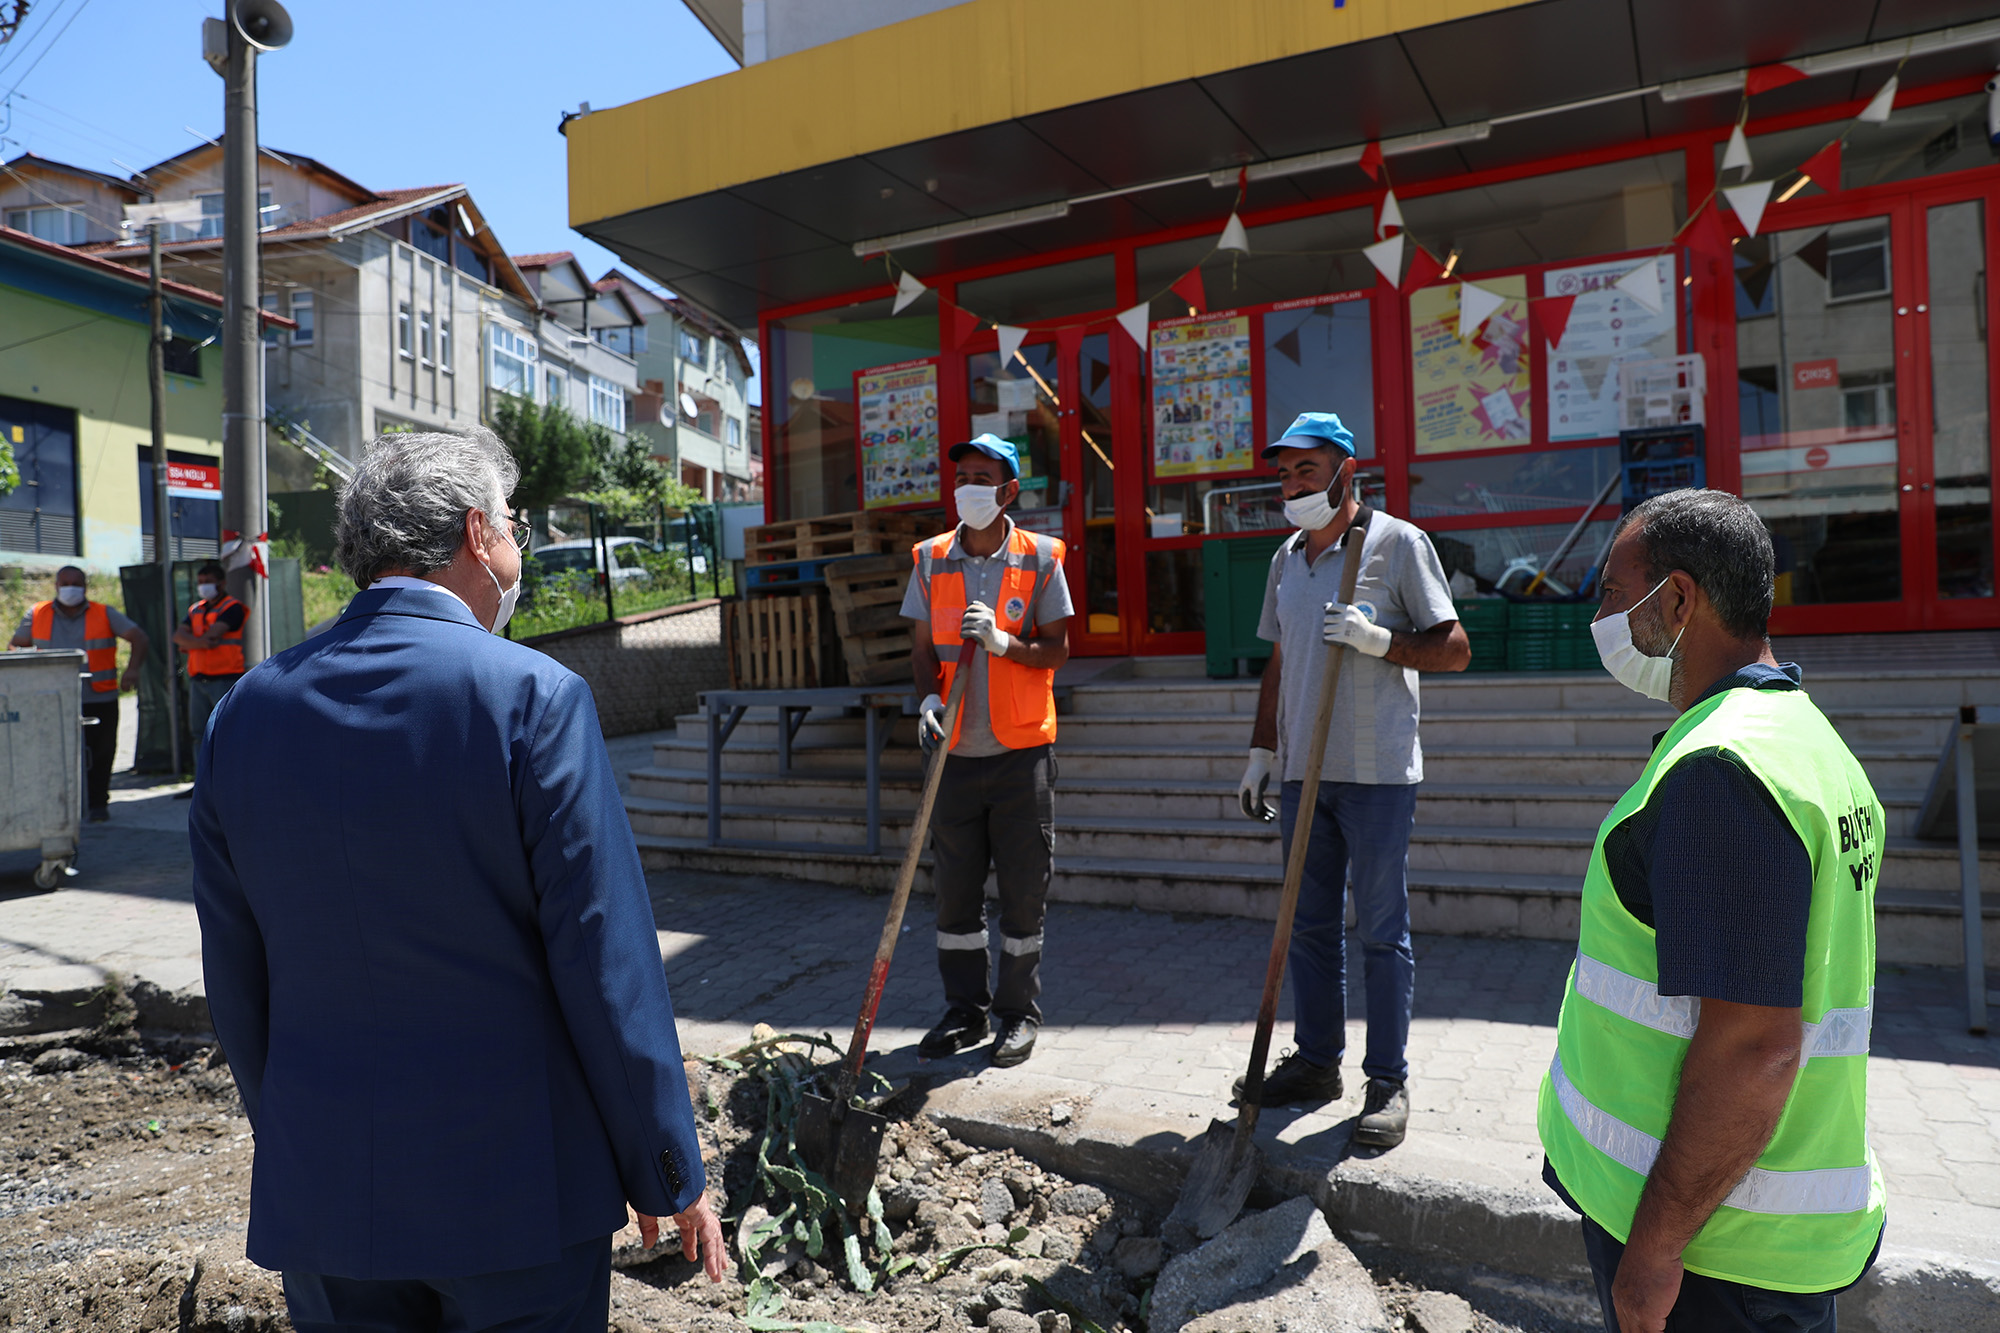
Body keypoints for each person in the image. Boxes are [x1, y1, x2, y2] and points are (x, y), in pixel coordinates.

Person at [189, 429, 724, 1333]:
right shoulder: (532, 697)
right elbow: (606, 964)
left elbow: (236, 981)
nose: (518, 547)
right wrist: (665, 1165)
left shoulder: (244, 713)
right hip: (516, 1196)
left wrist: (298, 1137)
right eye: (514, 525)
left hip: (324, 1193)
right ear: (478, 535)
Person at [1537, 489, 1884, 1333]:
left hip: (1712, 1253)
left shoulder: (1721, 768)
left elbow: (1755, 1047)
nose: (1604, 619)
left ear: (1680, 600)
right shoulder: (1804, 738)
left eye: (1616, 596)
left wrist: (1653, 1256)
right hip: (1749, 1229)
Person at [1233, 412, 1468, 1149]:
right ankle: (1315, 1061)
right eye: (1284, 472)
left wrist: (1380, 641)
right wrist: (1262, 750)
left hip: (1376, 774)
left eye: (1307, 470)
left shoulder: (1397, 544)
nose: (1293, 484)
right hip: (1305, 772)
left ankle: (1388, 1080)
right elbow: (1277, 661)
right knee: (1306, 926)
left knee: (1380, 930)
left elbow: (1455, 648)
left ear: (1346, 471)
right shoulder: (1287, 558)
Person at [902, 432, 1072, 1069]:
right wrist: (926, 701)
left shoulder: (1043, 557)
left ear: (1008, 490)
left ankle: (1017, 1014)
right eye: (961, 475)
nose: (968, 486)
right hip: (950, 753)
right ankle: (963, 1009)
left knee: (1024, 893)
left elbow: (1057, 649)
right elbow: (922, 650)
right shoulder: (929, 557)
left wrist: (1004, 644)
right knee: (955, 895)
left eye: (982, 476)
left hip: (1020, 752)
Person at [12, 565, 148, 822]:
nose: (70, 588)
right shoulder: (38, 613)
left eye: (76, 583)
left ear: (85, 586)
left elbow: (139, 637)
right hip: (50, 698)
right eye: (65, 583)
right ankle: (59, 805)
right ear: (56, 585)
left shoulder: (104, 613)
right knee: (53, 753)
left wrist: (132, 670)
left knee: (101, 753)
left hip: (99, 697)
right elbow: (16, 644)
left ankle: (98, 804)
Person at [171, 560, 247, 797]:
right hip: (199, 680)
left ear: (221, 583)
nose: (203, 586)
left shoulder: (233, 608)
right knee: (198, 735)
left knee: (226, 734)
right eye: (200, 583)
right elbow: (178, 637)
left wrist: (192, 643)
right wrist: (200, 643)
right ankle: (201, 785)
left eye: (208, 582)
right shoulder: (195, 609)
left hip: (225, 680)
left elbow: (213, 636)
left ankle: (230, 784)